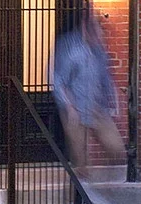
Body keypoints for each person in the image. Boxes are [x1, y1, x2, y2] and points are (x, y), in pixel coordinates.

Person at [52, 11, 126, 182]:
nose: (101, 35)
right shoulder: (70, 47)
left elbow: (106, 77)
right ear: (87, 28)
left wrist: (112, 104)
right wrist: (69, 107)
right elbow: (58, 80)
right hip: (74, 110)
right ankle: (76, 202)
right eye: (98, 30)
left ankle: (107, 190)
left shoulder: (99, 50)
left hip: (96, 108)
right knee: (80, 159)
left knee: (117, 149)